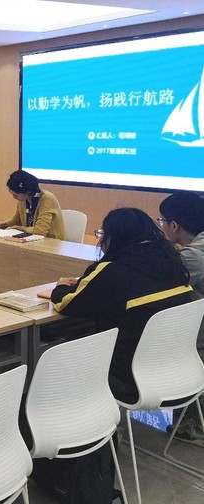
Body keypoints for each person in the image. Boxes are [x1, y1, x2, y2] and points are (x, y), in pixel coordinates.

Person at [51, 207, 193, 404]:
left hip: (129, 381)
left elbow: (67, 304)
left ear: (113, 238)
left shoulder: (114, 270)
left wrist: (60, 287)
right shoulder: (172, 262)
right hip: (182, 376)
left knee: (61, 360)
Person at [157, 191, 204, 446]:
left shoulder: (192, 256)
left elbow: (158, 283)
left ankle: (191, 426)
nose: (160, 225)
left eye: (161, 221)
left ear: (174, 226)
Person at [0, 169, 65, 239]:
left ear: (28, 191)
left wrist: (20, 228)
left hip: (51, 243)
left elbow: (41, 231)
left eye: (16, 195)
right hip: (32, 240)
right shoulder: (23, 199)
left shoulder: (47, 199)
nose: (14, 197)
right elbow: (16, 220)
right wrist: (2, 225)